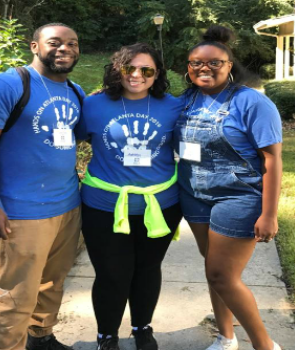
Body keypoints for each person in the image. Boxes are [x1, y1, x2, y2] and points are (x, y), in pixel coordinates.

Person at [0, 23, 85, 350]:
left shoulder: (74, 91)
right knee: (17, 295)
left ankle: (41, 338)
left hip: (67, 207)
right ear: (34, 46)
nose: (65, 49)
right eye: (55, 42)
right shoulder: (7, 85)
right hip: (21, 212)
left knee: (51, 284)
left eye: (72, 44)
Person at [174, 25, 282, 350]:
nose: (204, 68)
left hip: (238, 196)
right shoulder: (184, 100)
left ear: (229, 65)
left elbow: (273, 160)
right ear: (188, 67)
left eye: (214, 63)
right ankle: (226, 336)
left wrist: (269, 214)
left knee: (223, 276)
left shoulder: (251, 103)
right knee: (213, 270)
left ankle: (265, 345)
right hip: (194, 194)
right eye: (196, 63)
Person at [75, 43, 183, 350]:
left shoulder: (172, 107)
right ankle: (106, 335)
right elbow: (74, 137)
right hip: (103, 207)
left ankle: (142, 328)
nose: (137, 75)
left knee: (148, 270)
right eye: (129, 68)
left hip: (160, 206)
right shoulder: (93, 105)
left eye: (146, 70)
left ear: (157, 73)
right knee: (111, 274)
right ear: (117, 70)